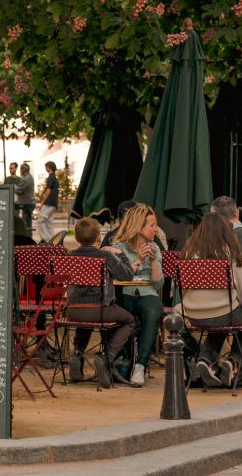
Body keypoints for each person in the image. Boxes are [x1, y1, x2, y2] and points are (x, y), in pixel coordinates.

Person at [179, 212, 242, 388]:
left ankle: (205, 361)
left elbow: (183, 289)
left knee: (218, 322)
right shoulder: (230, 254)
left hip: (194, 315)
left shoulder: (189, 254)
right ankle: (233, 362)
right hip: (224, 312)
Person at [66, 217, 136, 388]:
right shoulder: (105, 255)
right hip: (99, 310)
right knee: (129, 320)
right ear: (98, 236)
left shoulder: (70, 255)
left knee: (85, 322)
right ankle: (106, 357)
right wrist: (119, 254)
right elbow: (127, 275)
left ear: (76, 238)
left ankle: (77, 356)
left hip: (72, 310)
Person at [108, 203, 164, 387]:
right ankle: (124, 361)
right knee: (125, 311)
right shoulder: (119, 247)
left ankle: (140, 365)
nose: (155, 229)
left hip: (148, 291)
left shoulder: (154, 246)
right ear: (139, 227)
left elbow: (158, 283)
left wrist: (154, 260)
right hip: (125, 292)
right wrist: (139, 259)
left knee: (153, 311)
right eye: (152, 225)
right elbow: (119, 277)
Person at [37, 161, 59, 242]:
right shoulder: (55, 178)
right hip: (54, 203)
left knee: (40, 220)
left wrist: (42, 202)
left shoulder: (50, 178)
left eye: (46, 167)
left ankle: (45, 239)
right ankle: (52, 240)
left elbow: (48, 191)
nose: (45, 168)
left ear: (49, 167)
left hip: (49, 203)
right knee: (49, 223)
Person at [14, 164, 35, 234]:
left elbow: (19, 190)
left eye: (21, 169)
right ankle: (28, 238)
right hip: (28, 203)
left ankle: (27, 239)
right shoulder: (29, 177)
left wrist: (13, 187)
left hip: (27, 203)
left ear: (24, 170)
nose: (20, 171)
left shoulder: (26, 179)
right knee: (27, 222)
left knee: (26, 224)